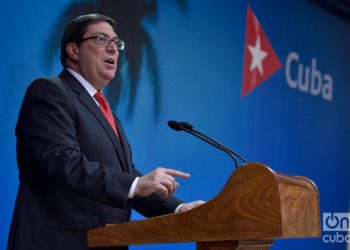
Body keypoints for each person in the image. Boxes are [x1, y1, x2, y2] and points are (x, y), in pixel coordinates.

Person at [7, 14, 204, 250]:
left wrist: (178, 209)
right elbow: (62, 162)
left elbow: (126, 174)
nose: (113, 49)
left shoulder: (102, 108)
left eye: (117, 42)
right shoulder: (49, 92)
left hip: (104, 241)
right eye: (101, 39)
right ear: (73, 50)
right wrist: (134, 184)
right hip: (59, 240)